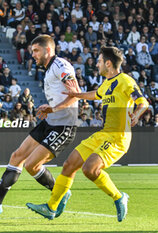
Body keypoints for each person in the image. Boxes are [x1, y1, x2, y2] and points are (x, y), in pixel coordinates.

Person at [26, 46, 149, 222]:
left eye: (99, 61)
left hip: (118, 137)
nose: (97, 64)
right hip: (103, 134)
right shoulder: (106, 83)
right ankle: (51, 207)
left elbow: (143, 101)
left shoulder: (126, 81)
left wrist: (136, 114)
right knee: (69, 164)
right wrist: (77, 94)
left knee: (90, 169)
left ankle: (119, 197)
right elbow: (96, 94)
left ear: (108, 63)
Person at [0, 35, 80, 217]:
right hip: (51, 121)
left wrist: (53, 108)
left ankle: (61, 193)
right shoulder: (49, 68)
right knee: (17, 156)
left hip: (64, 124)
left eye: (36, 51)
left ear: (48, 50)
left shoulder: (61, 66)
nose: (33, 55)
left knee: (32, 165)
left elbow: (76, 94)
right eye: (32, 51)